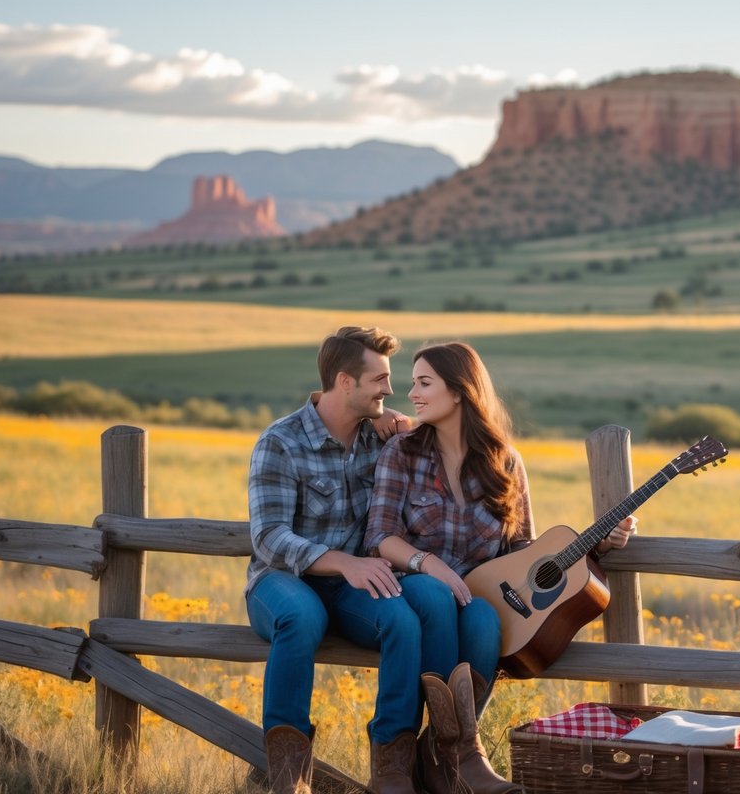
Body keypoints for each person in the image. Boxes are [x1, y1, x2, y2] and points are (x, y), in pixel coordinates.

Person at [363, 342, 636, 794]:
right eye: (413, 382)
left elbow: (521, 548)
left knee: (486, 623)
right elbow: (379, 537)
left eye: (424, 383)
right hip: (414, 585)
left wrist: (598, 545)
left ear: (459, 392)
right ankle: (408, 759)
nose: (411, 394)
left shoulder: (505, 462)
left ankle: (453, 754)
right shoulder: (402, 453)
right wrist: (430, 566)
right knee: (434, 596)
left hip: (479, 595)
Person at [245, 326, 412, 794]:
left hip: (347, 589)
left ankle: (392, 768)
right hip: (279, 581)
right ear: (344, 381)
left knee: (401, 618)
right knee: (300, 615)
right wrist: (343, 561)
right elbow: (269, 537)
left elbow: (440, 448)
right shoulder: (280, 441)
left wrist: (405, 424)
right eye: (379, 379)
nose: (389, 389)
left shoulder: (380, 440)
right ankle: (287, 778)